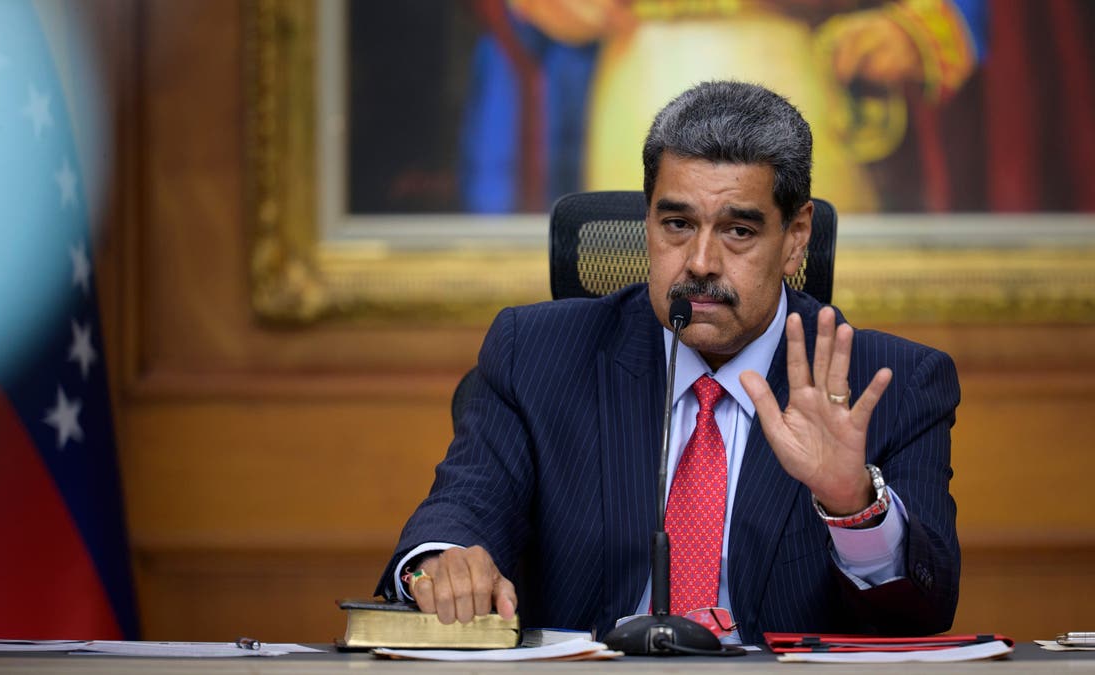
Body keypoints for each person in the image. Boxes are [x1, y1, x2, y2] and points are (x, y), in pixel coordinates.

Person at [377, 80, 961, 644]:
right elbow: (460, 509)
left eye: (738, 230)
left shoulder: (890, 385)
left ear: (795, 237)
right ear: (648, 222)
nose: (701, 262)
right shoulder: (536, 356)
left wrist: (852, 506)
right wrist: (442, 563)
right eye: (677, 224)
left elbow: (922, 613)